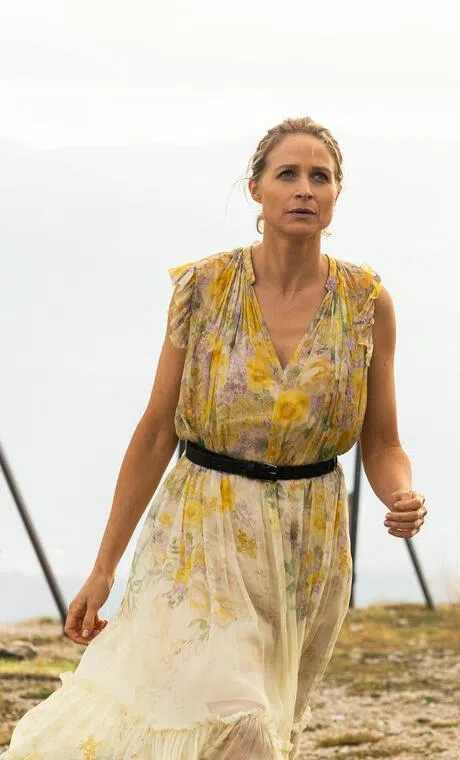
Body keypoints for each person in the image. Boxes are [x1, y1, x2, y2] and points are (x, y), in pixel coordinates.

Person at [1, 117, 427, 760]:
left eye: (320, 177)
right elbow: (155, 432)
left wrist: (402, 495)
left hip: (308, 546)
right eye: (287, 174)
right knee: (237, 720)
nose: (304, 188)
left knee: (250, 731)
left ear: (338, 193)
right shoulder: (203, 289)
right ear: (256, 188)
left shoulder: (367, 302)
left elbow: (384, 443)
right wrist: (103, 568)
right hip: (201, 527)